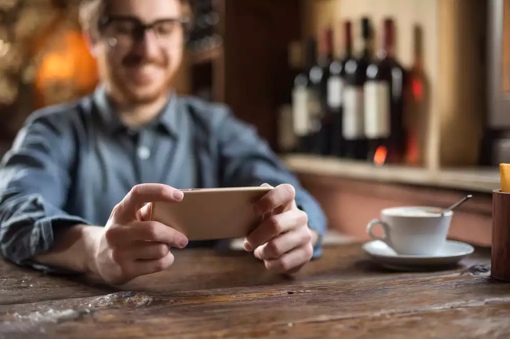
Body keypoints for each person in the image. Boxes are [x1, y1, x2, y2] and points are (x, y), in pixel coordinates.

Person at [0, 0, 326, 285]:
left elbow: (295, 200)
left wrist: (297, 230)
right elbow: (13, 213)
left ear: (182, 36)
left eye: (164, 28)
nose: (147, 49)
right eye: (126, 28)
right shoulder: (51, 130)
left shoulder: (217, 127)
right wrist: (93, 248)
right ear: (93, 38)